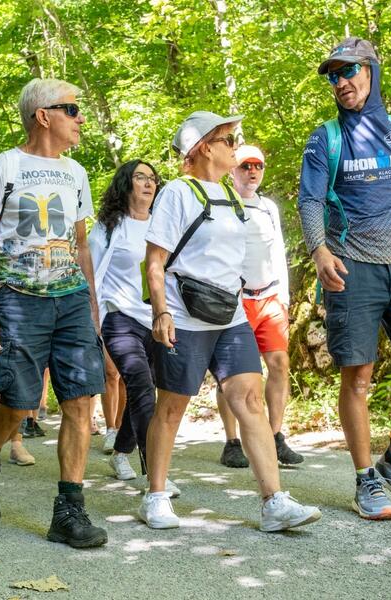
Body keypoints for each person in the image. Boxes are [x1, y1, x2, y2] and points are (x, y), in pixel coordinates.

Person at [140, 110, 321, 532]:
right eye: (228, 140)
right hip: (184, 317)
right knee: (171, 408)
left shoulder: (232, 197)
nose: (235, 147)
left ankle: (274, 502)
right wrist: (161, 312)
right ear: (204, 147)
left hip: (231, 315)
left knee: (251, 400)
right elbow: (155, 261)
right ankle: (155, 496)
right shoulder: (177, 193)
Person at [0, 77, 107, 548]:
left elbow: (81, 245)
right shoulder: (3, 166)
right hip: (17, 298)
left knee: (80, 400)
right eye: (72, 110)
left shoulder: (77, 173)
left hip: (71, 298)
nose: (80, 119)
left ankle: (69, 510)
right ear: (43, 116)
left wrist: (92, 306)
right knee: (19, 402)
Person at [299, 37, 391, 520]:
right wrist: (319, 250)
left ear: (371, 71)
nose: (340, 82)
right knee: (358, 376)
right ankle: (366, 479)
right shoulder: (325, 138)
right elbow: (309, 200)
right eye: (333, 76)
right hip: (351, 266)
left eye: (348, 71)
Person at [90, 159, 179, 493]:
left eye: (152, 178)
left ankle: (120, 452)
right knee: (141, 386)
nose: (148, 183)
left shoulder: (163, 225)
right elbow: (91, 275)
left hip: (157, 320)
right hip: (119, 319)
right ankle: (153, 474)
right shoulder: (109, 227)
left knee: (147, 388)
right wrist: (93, 322)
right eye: (140, 177)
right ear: (126, 183)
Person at [216, 145, 303, 468]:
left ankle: (276, 436)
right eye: (245, 166)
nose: (252, 171)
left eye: (258, 166)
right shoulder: (223, 203)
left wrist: (284, 296)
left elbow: (277, 250)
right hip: (235, 300)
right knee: (232, 373)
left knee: (279, 364)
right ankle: (232, 441)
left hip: (270, 298)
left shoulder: (268, 208)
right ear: (232, 170)